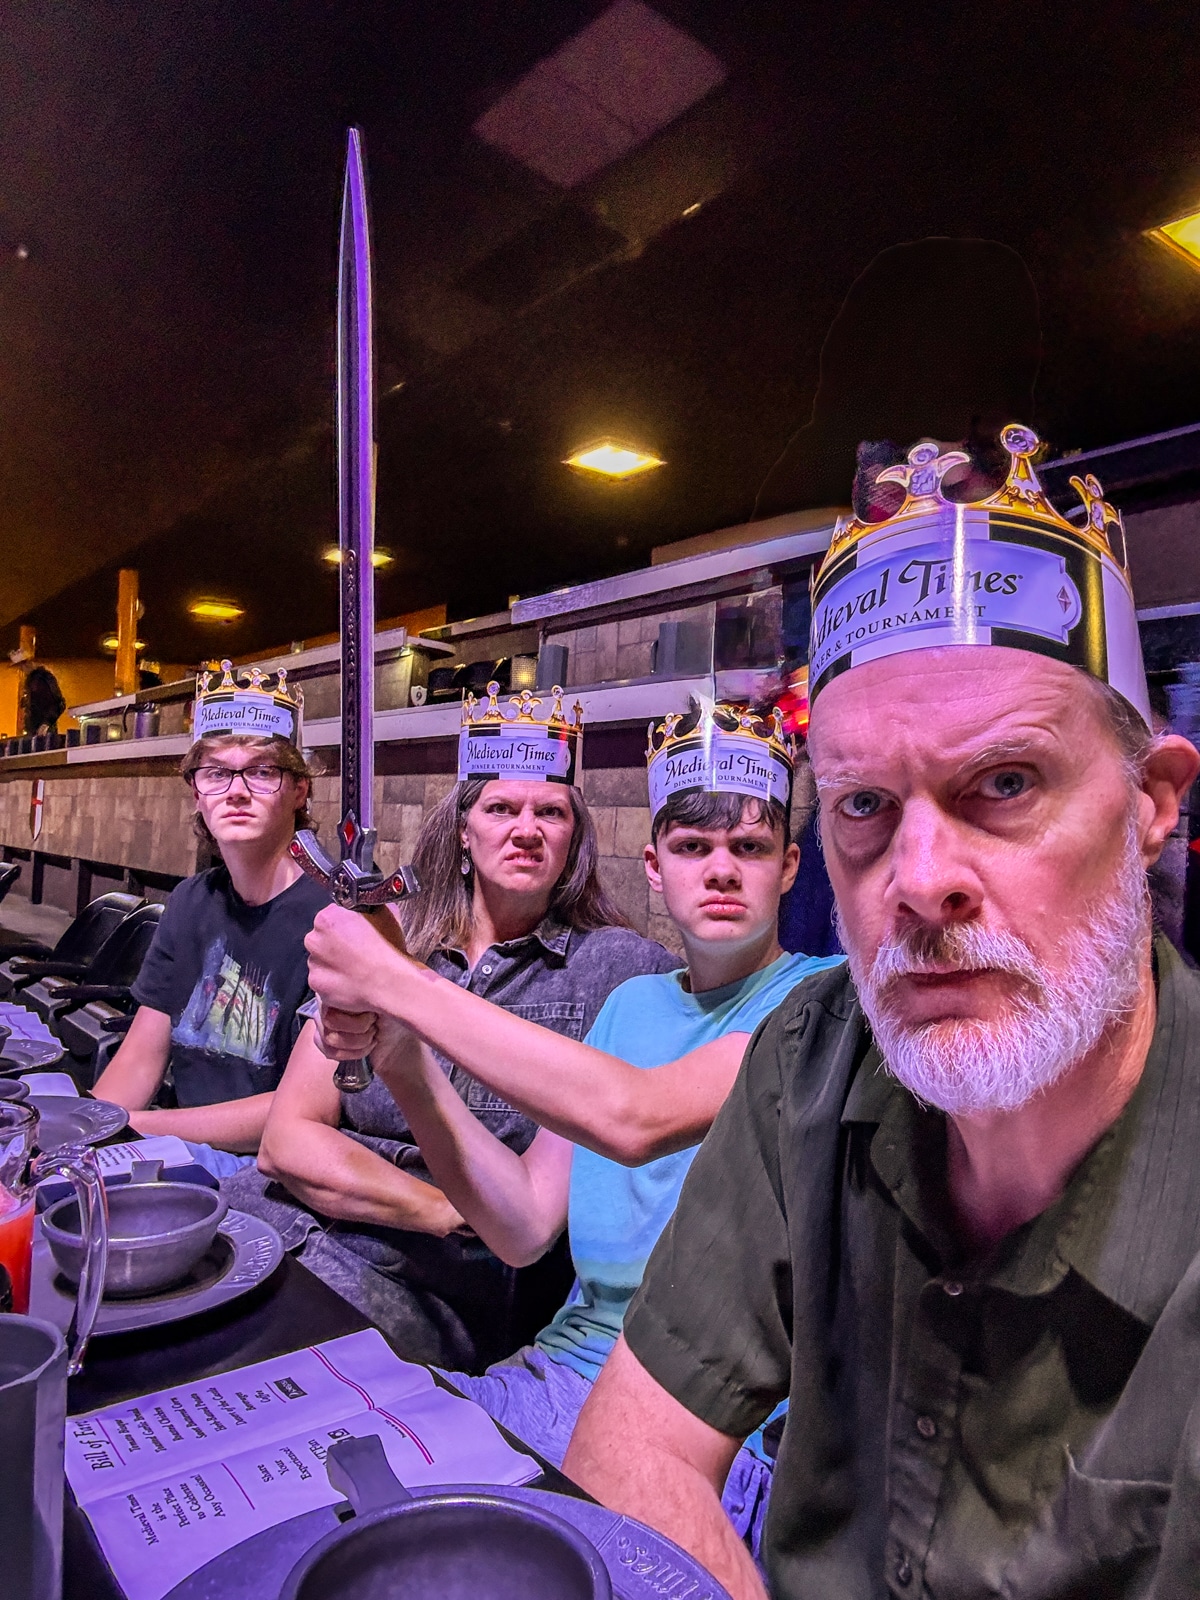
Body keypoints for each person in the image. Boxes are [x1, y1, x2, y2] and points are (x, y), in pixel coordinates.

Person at [563, 426, 1200, 1600]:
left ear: (1152, 804)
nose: (916, 879)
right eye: (863, 803)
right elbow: (629, 1445)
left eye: (1003, 783)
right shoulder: (806, 1063)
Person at [305, 697, 842, 1554]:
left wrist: (399, 982)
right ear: (654, 866)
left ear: (787, 868)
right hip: (559, 1371)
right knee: (324, 1492)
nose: (721, 871)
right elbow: (520, 1224)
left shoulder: (822, 999)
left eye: (749, 848)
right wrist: (403, 1059)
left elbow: (637, 1115)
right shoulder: (630, 1002)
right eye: (693, 847)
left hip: (724, 1421)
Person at [238, 686, 676, 1370]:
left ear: (574, 839)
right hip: (284, 1224)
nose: (525, 829)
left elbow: (528, 1221)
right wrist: (444, 1207)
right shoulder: (394, 941)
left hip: (429, 1294)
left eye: (551, 813)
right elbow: (286, 1140)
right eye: (501, 808)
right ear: (464, 833)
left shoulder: (617, 970)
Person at [93, 662, 327, 1176]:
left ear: (300, 789)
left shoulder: (337, 916)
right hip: (178, 1149)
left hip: (274, 1173)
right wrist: (87, 1130)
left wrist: (138, 1126)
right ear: (196, 791)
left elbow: (305, 1110)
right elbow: (140, 1058)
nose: (235, 790)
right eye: (217, 772)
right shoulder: (189, 901)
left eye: (263, 771)